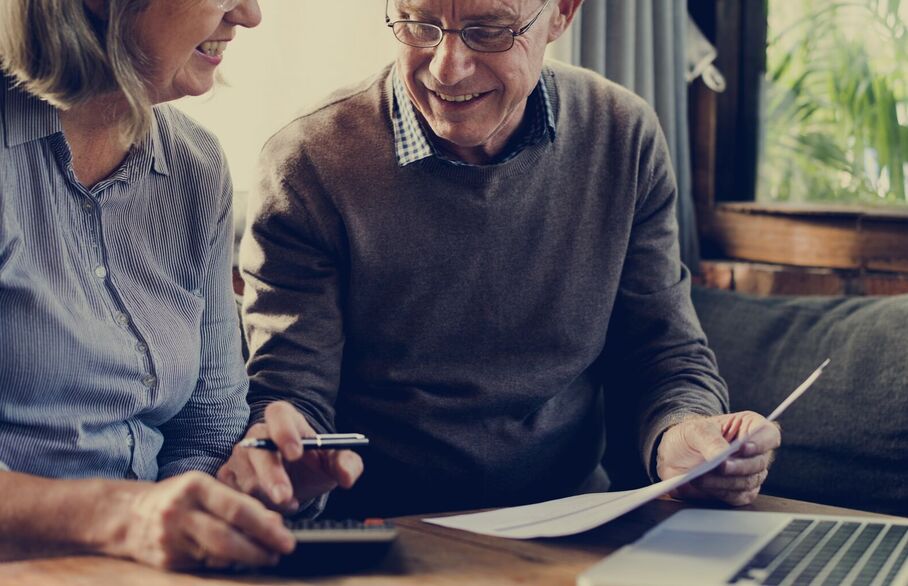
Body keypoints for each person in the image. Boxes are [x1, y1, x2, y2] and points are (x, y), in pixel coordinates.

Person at [219, 0, 781, 518]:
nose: (447, 67)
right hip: (383, 526)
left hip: (575, 523)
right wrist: (283, 455)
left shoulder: (622, 136)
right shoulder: (310, 160)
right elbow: (289, 390)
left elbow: (664, 353)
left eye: (488, 31)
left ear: (560, 14)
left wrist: (685, 435)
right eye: (419, 23)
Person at [0, 0, 296, 569]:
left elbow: (210, 418)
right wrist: (126, 518)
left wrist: (231, 492)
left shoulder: (195, 164)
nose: (250, 14)